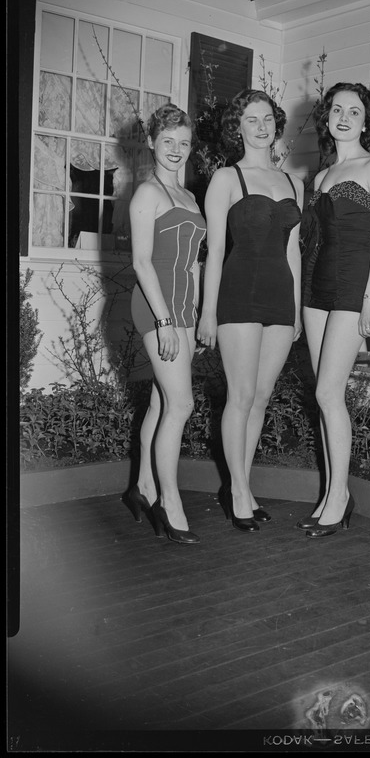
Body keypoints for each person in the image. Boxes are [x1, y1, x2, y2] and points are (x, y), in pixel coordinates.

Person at [197, 89, 303, 532]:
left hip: (280, 298)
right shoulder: (226, 178)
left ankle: (242, 483)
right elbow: (216, 248)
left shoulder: (292, 180)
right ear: (236, 128)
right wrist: (207, 313)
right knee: (239, 397)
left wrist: (295, 311)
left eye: (267, 119)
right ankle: (238, 491)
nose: (261, 127)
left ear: (276, 124)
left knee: (261, 396)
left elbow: (293, 249)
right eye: (251, 120)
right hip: (238, 294)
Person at [297, 82, 370, 538]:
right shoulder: (317, 177)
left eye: (353, 111)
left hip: (354, 288)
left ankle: (340, 497)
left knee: (327, 395)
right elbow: (309, 241)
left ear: (364, 121)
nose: (343, 117)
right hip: (317, 289)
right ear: (328, 118)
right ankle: (330, 492)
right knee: (323, 395)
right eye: (336, 109)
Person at [121, 104, 206, 544]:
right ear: (152, 142)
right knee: (181, 404)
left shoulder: (190, 198)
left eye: (184, 142)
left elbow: (191, 265)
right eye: (167, 141)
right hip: (157, 308)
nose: (176, 150)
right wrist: (166, 320)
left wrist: (197, 315)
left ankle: (142, 485)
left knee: (161, 402)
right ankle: (168, 502)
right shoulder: (147, 194)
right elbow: (140, 263)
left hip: (183, 310)